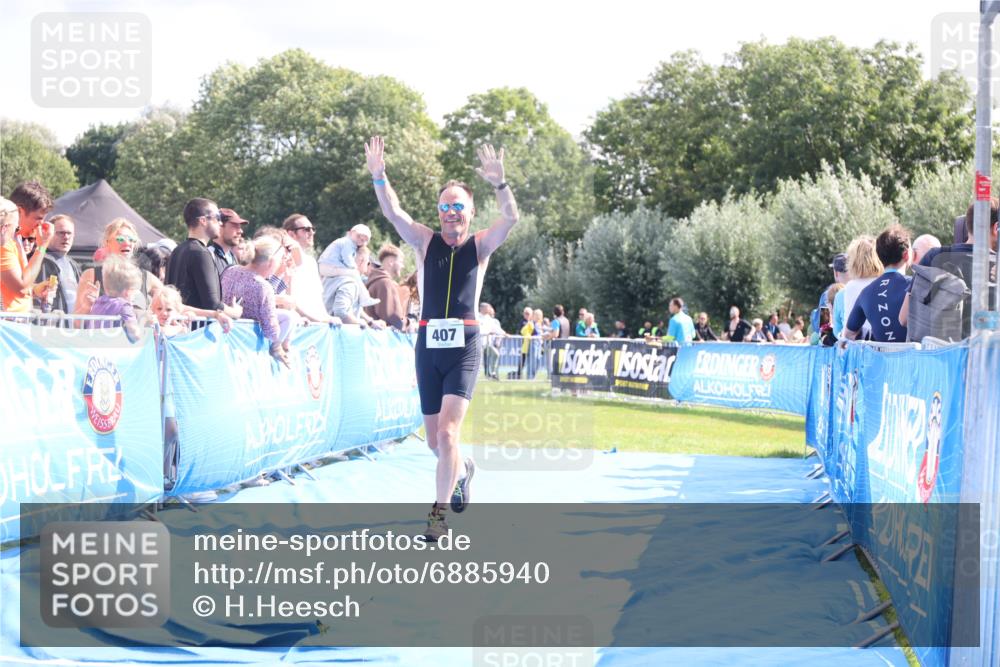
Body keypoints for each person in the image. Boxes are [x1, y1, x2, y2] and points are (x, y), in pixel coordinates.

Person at [366, 135, 518, 540]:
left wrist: (500, 185)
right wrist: (379, 177)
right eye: (444, 207)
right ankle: (464, 469)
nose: (451, 213)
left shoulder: (480, 245)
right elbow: (393, 212)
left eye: (458, 206)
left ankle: (437, 517)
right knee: (435, 441)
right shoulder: (425, 240)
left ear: (470, 211)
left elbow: (511, 219)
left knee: (449, 433)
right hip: (428, 345)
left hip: (465, 347)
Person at [222, 235, 297, 367]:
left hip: (225, 334)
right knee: (289, 317)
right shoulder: (261, 285)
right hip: (247, 347)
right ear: (271, 261)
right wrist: (277, 344)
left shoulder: (231, 270)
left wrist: (282, 278)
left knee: (289, 317)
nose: (280, 263)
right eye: (280, 260)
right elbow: (271, 331)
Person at [165, 199, 241, 318]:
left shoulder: (177, 250)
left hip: (182, 327)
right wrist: (236, 312)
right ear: (203, 220)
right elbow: (212, 304)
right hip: (198, 330)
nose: (220, 223)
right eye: (217, 217)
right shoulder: (201, 253)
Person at [75, 218, 166, 317]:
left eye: (131, 240)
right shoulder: (91, 275)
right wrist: (87, 306)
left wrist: (183, 309)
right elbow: (76, 323)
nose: (127, 243)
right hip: (104, 332)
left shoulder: (146, 277)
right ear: (107, 242)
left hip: (135, 332)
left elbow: (172, 303)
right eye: (120, 239)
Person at [844, 225, 912, 343]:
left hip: (881, 360)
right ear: (906, 255)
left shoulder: (866, 292)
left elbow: (849, 334)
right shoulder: (914, 285)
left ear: (879, 256)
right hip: (913, 359)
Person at [1, 182, 56, 312]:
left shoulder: (16, 240)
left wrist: (35, 289)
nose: (41, 225)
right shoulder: (4, 244)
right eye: (38, 218)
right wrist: (42, 247)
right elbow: (21, 288)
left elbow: (18, 285)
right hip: (7, 327)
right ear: (20, 211)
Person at [317, 224, 380, 307]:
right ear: (351, 233)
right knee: (353, 273)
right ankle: (365, 298)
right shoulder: (347, 242)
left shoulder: (348, 243)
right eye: (359, 236)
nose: (361, 239)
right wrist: (354, 269)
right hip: (328, 266)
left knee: (353, 274)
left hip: (327, 266)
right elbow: (347, 258)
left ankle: (364, 298)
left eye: (365, 239)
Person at [836, 235, 883, 340]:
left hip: (858, 346)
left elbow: (846, 327)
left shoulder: (850, 287)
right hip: (882, 344)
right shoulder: (884, 283)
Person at [89, 255, 143, 343]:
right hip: (115, 351)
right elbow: (135, 335)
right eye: (134, 292)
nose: (134, 297)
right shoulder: (124, 306)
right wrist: (145, 324)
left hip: (96, 349)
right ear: (128, 291)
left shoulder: (98, 302)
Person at [33, 214, 80, 312]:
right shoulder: (42, 260)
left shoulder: (73, 264)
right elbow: (38, 301)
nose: (66, 237)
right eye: (61, 233)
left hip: (71, 325)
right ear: (50, 234)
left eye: (69, 233)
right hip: (50, 324)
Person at [365, 243, 407, 329]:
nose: (403, 266)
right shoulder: (385, 283)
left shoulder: (377, 281)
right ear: (391, 262)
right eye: (400, 262)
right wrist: (408, 324)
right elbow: (390, 316)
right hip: (382, 338)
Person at [813, 253, 850, 335]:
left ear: (836, 273)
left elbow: (822, 328)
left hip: (836, 343)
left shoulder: (827, 295)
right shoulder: (861, 291)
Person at [209, 208, 248, 276]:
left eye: (240, 227)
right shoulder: (209, 256)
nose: (240, 231)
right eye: (235, 226)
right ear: (220, 227)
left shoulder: (232, 257)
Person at [477, 302, 504, 380]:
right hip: (478, 342)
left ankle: (492, 373)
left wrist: (505, 333)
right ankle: (476, 377)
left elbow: (496, 328)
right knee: (479, 361)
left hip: (487, 343)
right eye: (488, 307)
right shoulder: (477, 316)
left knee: (496, 354)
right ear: (482, 308)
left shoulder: (489, 318)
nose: (489, 309)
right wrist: (486, 333)